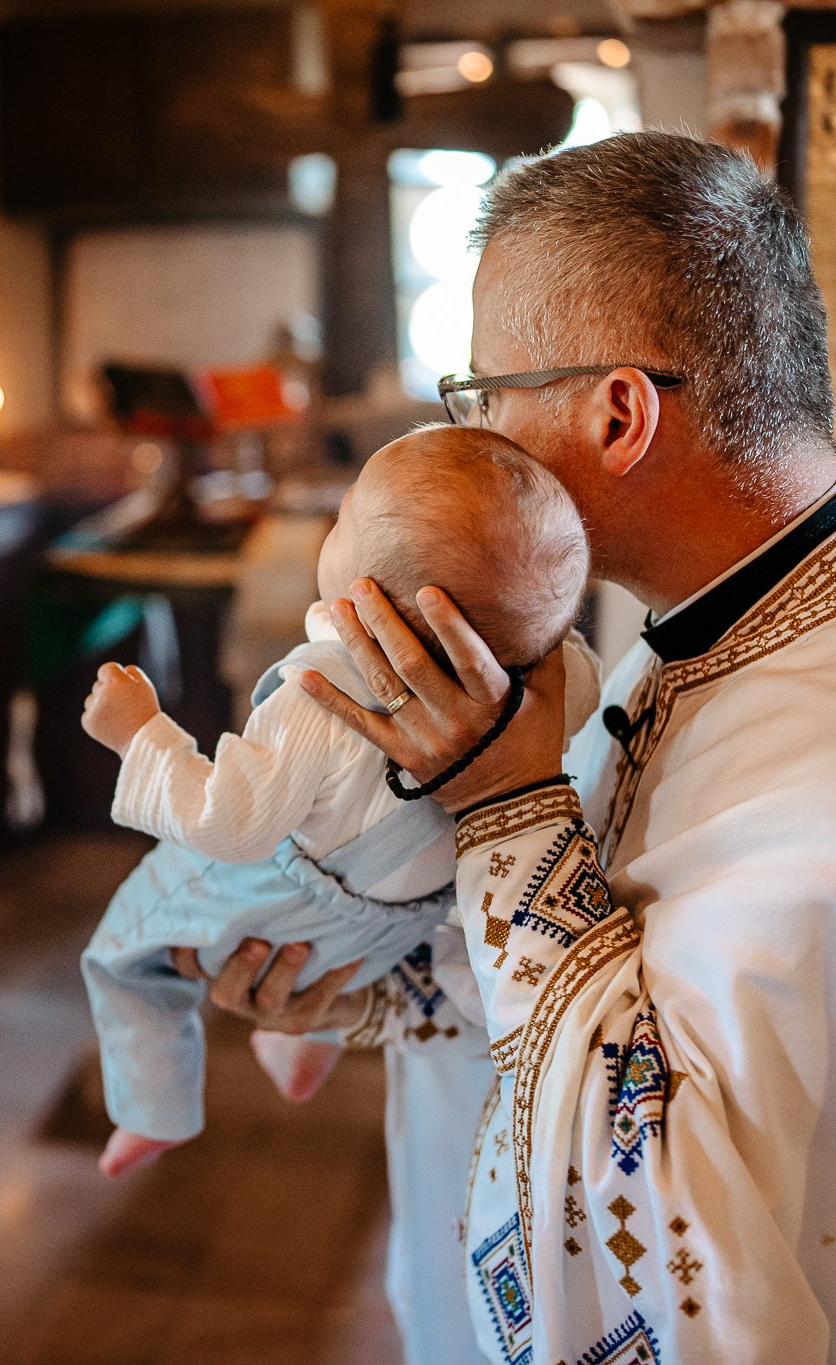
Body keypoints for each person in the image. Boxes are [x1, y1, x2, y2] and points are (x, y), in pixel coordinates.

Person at [184, 131, 836, 1361]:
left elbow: (684, 1222)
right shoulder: (750, 605)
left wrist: (502, 804)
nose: (470, 439)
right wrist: (380, 983)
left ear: (617, 412)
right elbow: (627, 941)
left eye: (484, 398)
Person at [76, 426, 598, 1178]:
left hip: (270, 898)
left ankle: (152, 1111)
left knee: (123, 955)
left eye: (347, 514)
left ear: (367, 592)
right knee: (330, 955)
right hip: (400, 930)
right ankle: (300, 1042)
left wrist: (142, 733)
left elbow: (230, 821)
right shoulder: (561, 684)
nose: (334, 521)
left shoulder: (322, 692)